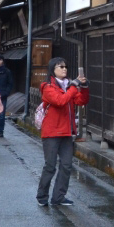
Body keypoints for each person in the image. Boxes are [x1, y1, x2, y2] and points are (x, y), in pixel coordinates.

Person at [36, 57, 88, 207]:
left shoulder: (68, 85)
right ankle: (42, 196)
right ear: (53, 70)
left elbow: (81, 101)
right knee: (50, 166)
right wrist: (73, 86)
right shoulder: (47, 87)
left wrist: (84, 87)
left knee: (66, 165)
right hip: (51, 132)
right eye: (61, 67)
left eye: (65, 66)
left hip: (66, 132)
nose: (64, 69)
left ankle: (58, 197)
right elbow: (60, 101)